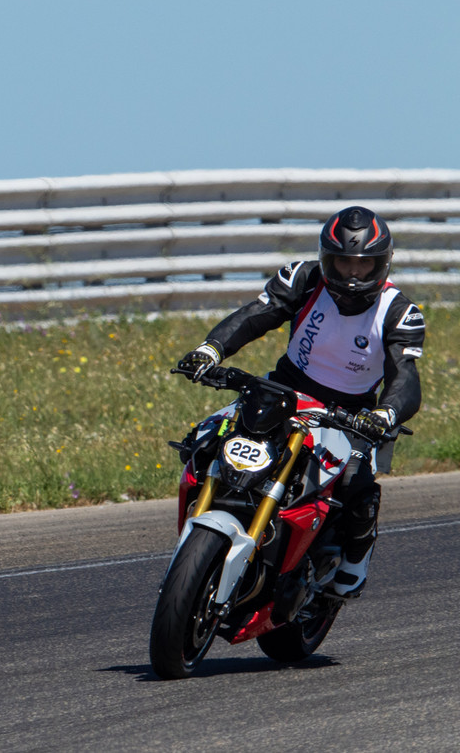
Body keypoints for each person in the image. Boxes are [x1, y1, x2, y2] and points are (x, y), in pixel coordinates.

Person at [175, 205, 425, 596]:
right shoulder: (304, 278)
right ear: (327, 259)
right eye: (343, 264)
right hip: (286, 392)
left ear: (383, 264)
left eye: (363, 265)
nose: (353, 274)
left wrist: (385, 413)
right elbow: (259, 313)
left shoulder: (400, 312)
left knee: (356, 486)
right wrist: (211, 349)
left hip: (353, 413)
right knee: (204, 439)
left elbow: (406, 376)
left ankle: (355, 559)